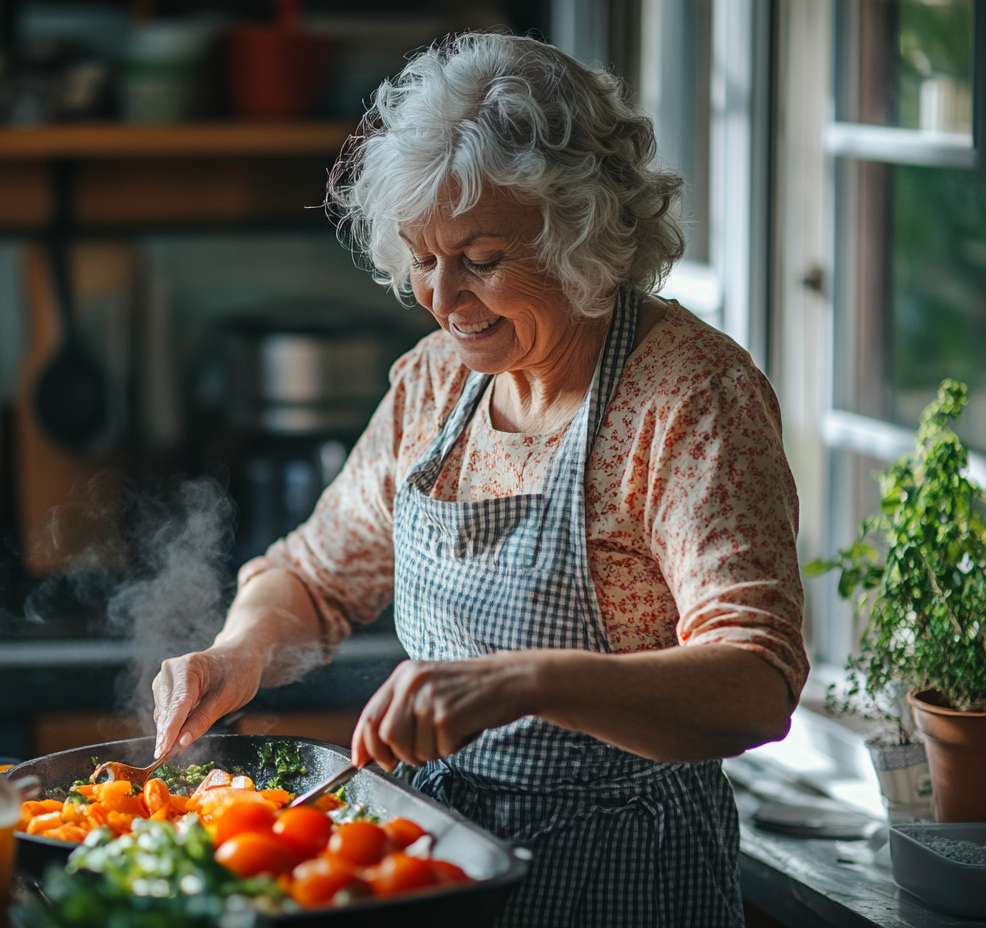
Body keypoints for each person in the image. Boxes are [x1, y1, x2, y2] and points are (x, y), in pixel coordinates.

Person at [152, 33, 807, 927]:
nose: (441, 298)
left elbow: (756, 681)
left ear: (582, 234)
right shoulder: (436, 381)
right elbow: (311, 577)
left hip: (624, 878)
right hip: (439, 865)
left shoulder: (689, 396)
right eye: (423, 257)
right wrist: (237, 654)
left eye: (482, 259)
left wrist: (527, 680)